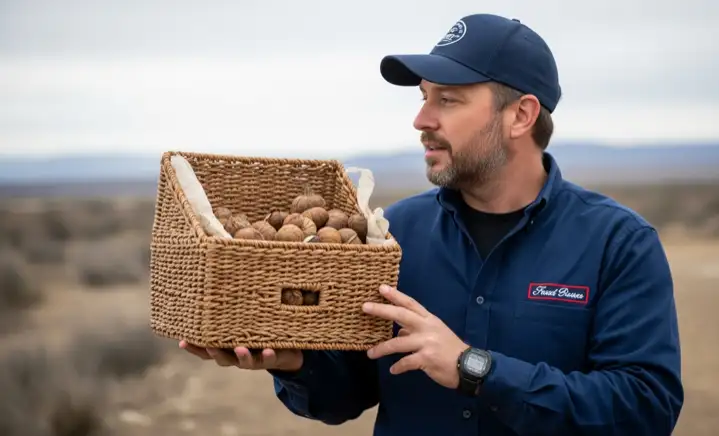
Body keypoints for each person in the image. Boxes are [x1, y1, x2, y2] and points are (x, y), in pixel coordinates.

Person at [179, 13, 684, 435]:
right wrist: (295, 363)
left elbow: (645, 409)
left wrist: (476, 369)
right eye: (423, 97)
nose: (422, 119)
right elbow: (345, 395)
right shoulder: (393, 234)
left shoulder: (618, 243)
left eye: (448, 99)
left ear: (521, 116)